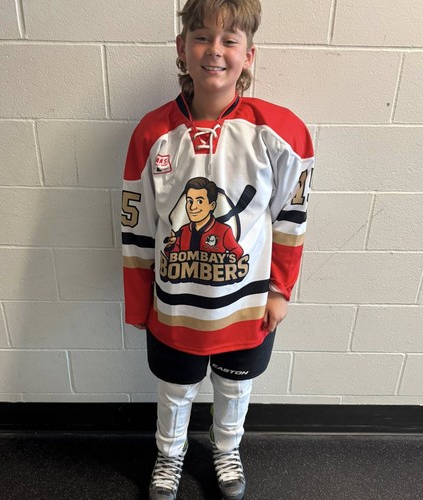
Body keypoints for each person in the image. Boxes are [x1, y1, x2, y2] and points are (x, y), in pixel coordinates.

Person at [121, 0, 314, 498]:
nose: (215, 50)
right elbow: (137, 227)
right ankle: (170, 454)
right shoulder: (151, 133)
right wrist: (138, 301)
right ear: (182, 48)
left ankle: (226, 448)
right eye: (202, 36)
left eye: (230, 40)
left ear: (248, 55)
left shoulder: (281, 133)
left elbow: (291, 220)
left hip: (245, 304)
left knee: (234, 386)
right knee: (175, 388)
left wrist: (280, 290)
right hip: (176, 306)